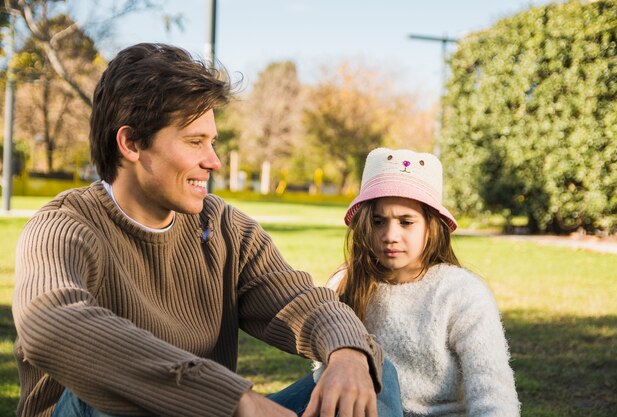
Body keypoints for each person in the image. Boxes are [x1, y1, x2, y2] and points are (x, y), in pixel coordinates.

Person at [12, 43, 386, 417]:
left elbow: (302, 303)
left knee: (369, 380)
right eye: (194, 142)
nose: (214, 161)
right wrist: (234, 399)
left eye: (212, 142)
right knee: (102, 393)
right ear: (130, 143)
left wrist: (348, 353)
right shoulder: (63, 227)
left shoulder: (224, 228)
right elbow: (50, 323)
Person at [326, 148, 521, 416]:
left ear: (432, 226)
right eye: (378, 221)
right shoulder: (345, 283)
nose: (390, 235)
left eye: (406, 222)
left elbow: (491, 388)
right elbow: (327, 376)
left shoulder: (461, 293)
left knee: (385, 376)